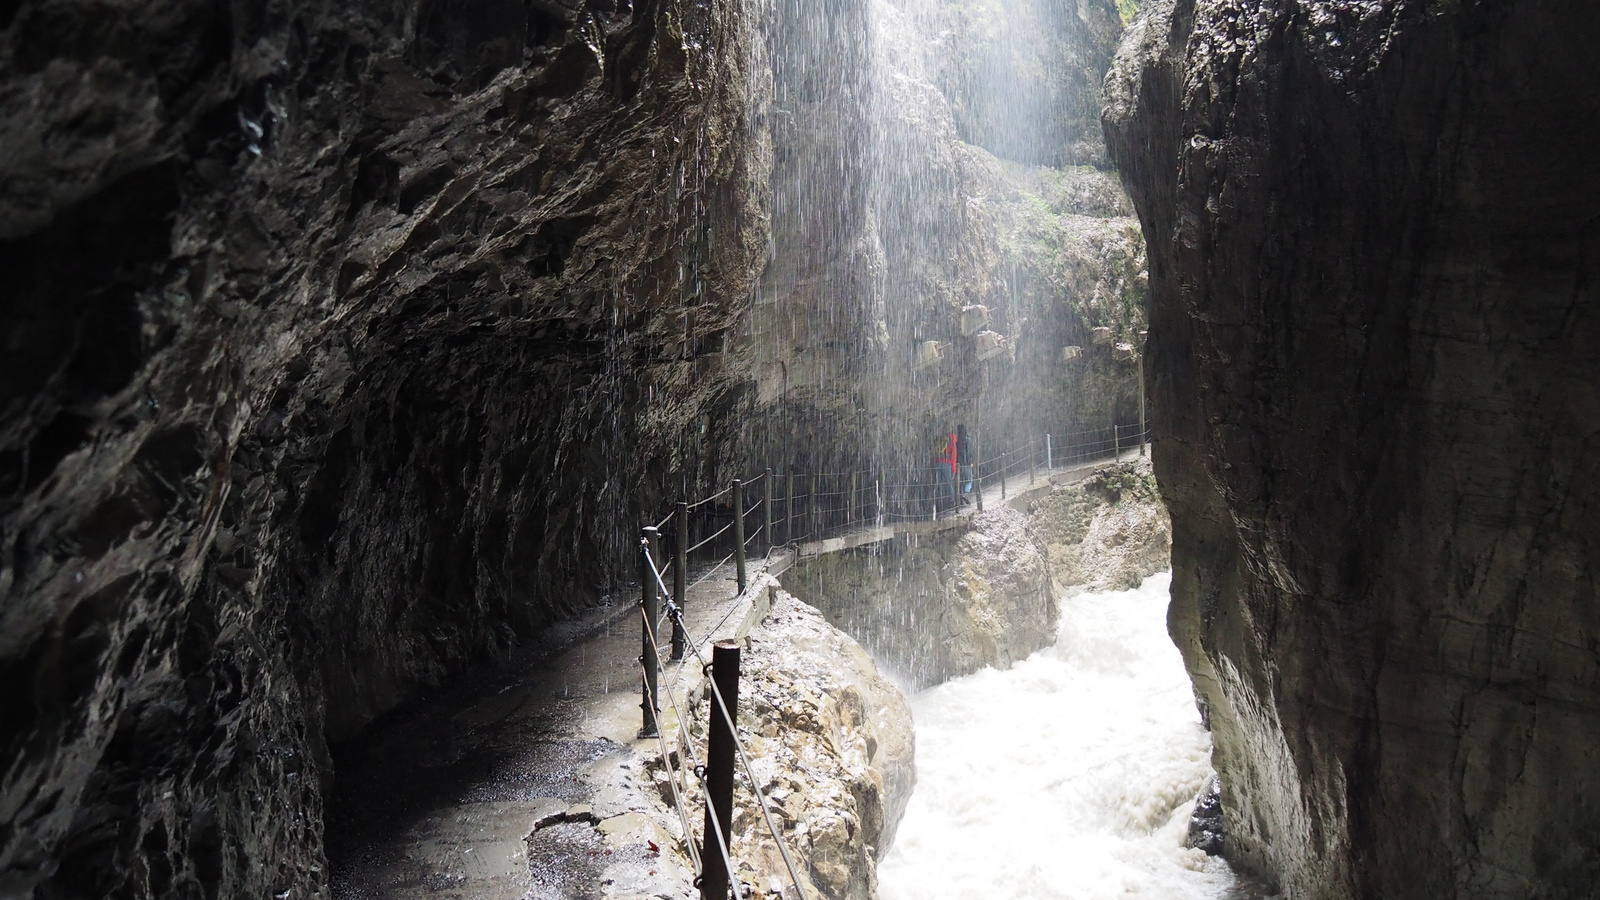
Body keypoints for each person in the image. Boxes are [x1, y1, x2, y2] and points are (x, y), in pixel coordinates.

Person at [957, 424, 974, 502]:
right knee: (969, 479)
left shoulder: (957, 441)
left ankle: (960, 496)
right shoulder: (968, 440)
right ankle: (966, 494)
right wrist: (970, 461)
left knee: (960, 481)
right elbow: (969, 452)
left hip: (958, 464)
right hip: (966, 463)